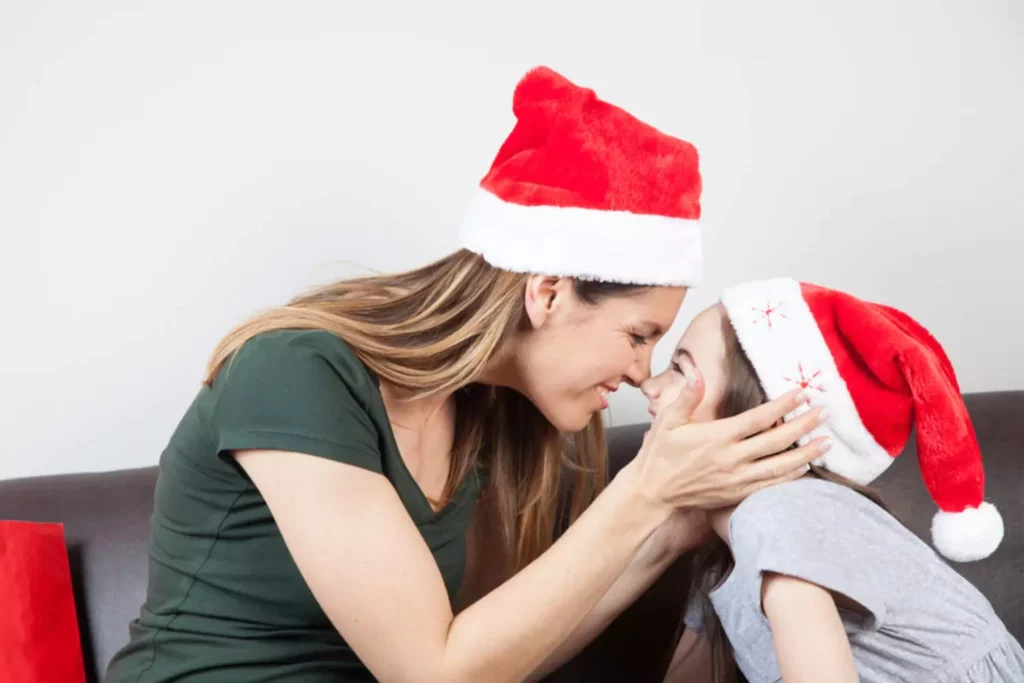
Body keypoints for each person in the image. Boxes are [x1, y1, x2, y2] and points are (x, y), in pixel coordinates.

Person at [104, 68, 830, 683]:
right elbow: (431, 670)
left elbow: (493, 657)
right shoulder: (297, 371)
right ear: (546, 292)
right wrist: (645, 487)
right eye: (639, 335)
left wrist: (674, 530)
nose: (643, 373)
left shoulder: (502, 419)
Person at [644, 278, 1021, 683]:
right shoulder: (724, 553)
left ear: (762, 419)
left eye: (680, 369)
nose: (648, 386)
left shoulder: (777, 516)